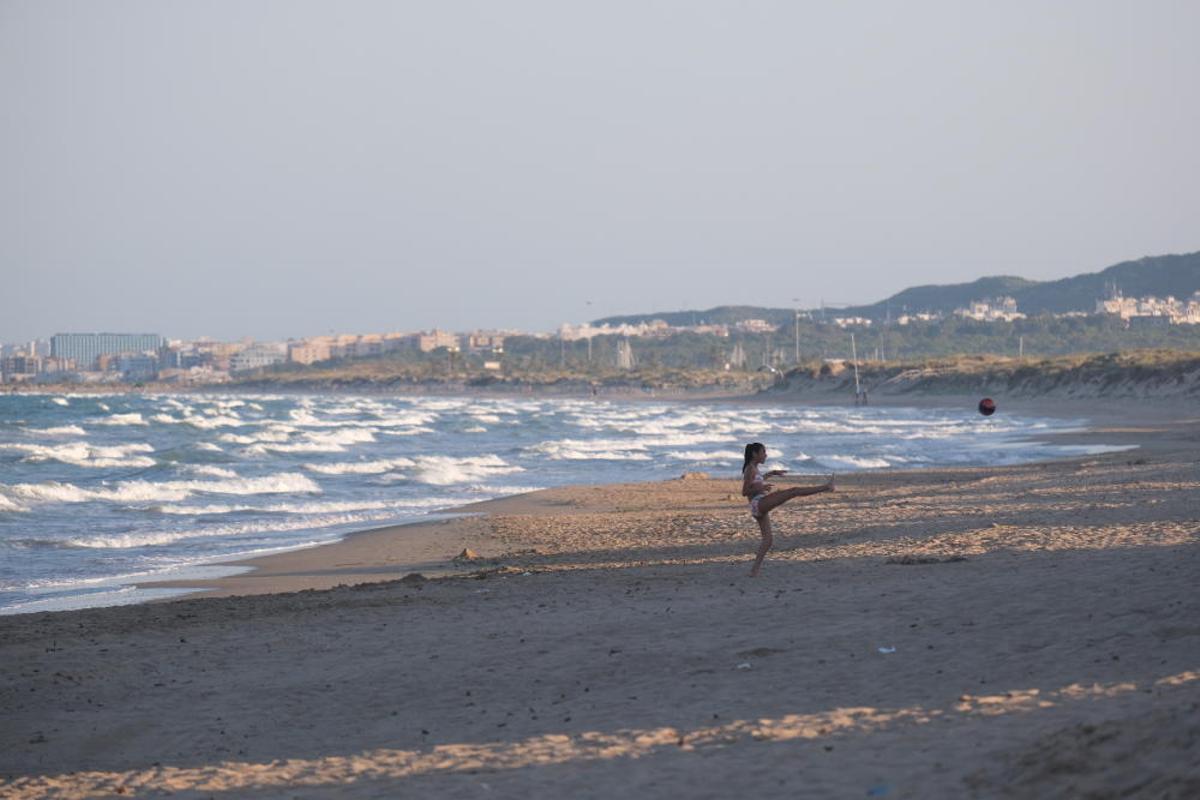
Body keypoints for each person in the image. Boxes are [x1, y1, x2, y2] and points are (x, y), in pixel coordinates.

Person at [741, 442, 834, 577]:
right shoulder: (750, 469)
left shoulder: (754, 468)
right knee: (793, 491)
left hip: (759, 505)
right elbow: (744, 491)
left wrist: (771, 473)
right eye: (763, 452)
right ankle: (826, 487)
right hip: (758, 503)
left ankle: (754, 571)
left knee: (768, 540)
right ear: (755, 454)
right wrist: (761, 488)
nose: (765, 455)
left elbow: (757, 480)